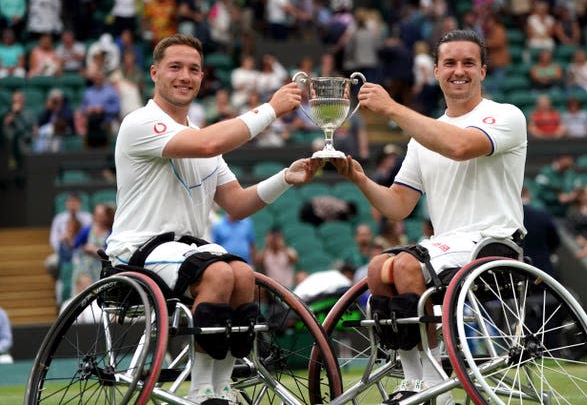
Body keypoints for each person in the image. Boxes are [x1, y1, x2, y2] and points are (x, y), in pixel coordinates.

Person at [104, 33, 322, 404]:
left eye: (193, 69)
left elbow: (236, 204)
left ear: (203, 77)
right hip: (135, 252)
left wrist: (285, 177)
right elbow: (209, 144)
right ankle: (203, 390)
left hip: (184, 254)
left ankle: (221, 389)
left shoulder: (200, 139)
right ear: (155, 73)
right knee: (221, 271)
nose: (184, 76)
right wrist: (269, 110)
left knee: (242, 275)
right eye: (175, 67)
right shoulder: (140, 122)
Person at [331, 29, 527, 405]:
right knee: (376, 269)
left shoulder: (505, 115)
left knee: (404, 266)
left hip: (494, 241)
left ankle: (438, 387)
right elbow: (399, 206)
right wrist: (359, 178)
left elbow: (458, 146)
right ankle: (415, 379)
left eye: (468, 62)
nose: (459, 70)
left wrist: (391, 108)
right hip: (446, 246)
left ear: (483, 70)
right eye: (449, 63)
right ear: (435, 71)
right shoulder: (421, 138)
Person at [521, 186, 560, 278]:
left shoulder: (505, 221)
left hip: (515, 272)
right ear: (529, 195)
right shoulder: (542, 215)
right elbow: (555, 241)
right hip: (542, 271)